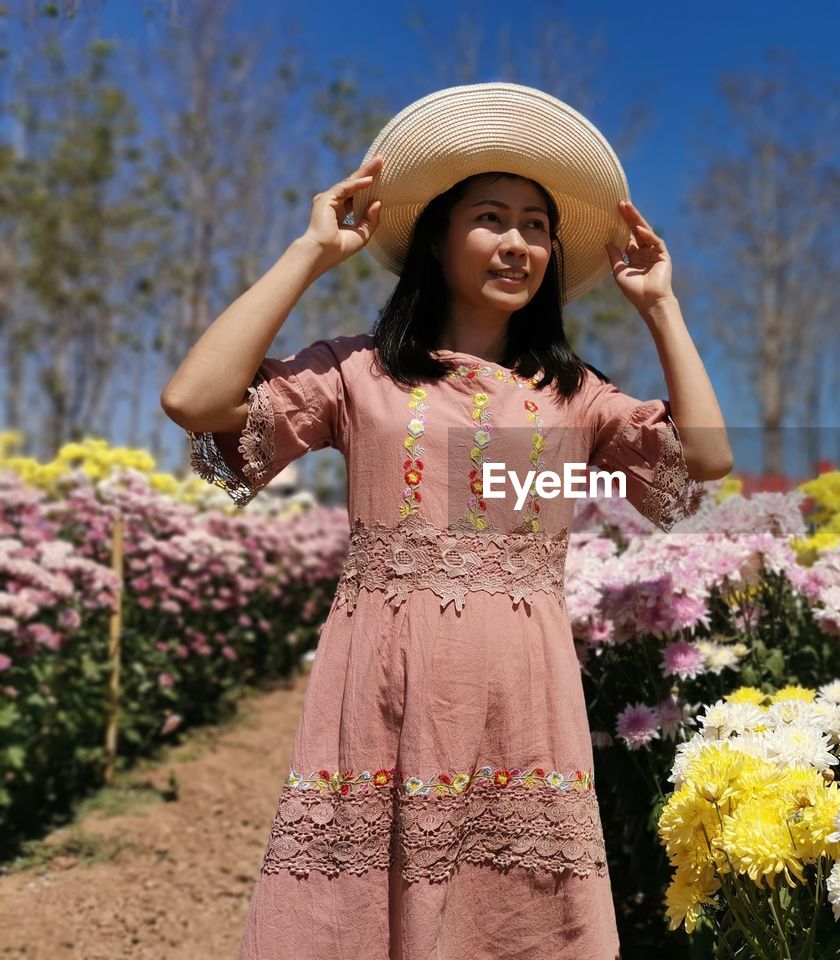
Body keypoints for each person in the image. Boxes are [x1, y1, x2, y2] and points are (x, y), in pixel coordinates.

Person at [159, 82, 732, 959]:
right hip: (379, 683)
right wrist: (309, 254)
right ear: (436, 237)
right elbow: (195, 400)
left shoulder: (574, 396)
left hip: (522, 691)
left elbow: (704, 463)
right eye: (493, 219)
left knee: (517, 922)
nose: (520, 243)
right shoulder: (359, 375)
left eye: (538, 226)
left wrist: (661, 308)